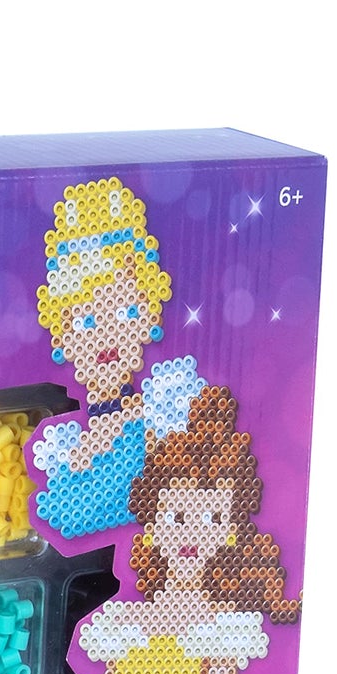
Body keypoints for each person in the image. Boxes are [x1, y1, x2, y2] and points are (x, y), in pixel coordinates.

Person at [77, 386, 302, 674]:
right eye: (177, 516)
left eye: (213, 518)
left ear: (231, 532)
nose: (191, 533)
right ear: (152, 524)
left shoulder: (223, 629)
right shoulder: (124, 622)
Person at [33, 177, 204, 537]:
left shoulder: (152, 410)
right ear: (62, 338)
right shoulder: (77, 466)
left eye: (127, 312)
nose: (106, 334)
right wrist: (88, 446)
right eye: (86, 321)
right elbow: (90, 448)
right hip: (102, 499)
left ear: (149, 319)